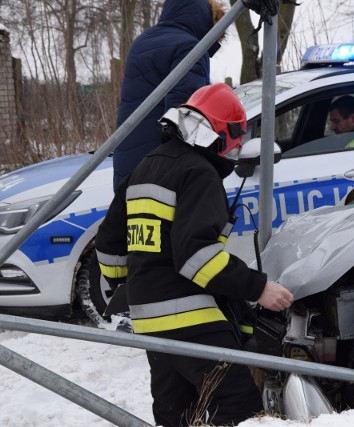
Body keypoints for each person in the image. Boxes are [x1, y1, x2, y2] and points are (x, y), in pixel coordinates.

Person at [96, 84, 294, 427]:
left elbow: (108, 244)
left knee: (177, 413)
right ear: (221, 132)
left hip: (148, 319)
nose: (234, 146)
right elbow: (196, 256)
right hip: (189, 317)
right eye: (235, 135)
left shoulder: (145, 167)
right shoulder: (198, 173)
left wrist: (130, 286)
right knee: (238, 402)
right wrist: (259, 287)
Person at [113, 0, 226, 191]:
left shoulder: (142, 41)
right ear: (207, 24)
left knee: (130, 218)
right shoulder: (191, 48)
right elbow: (182, 118)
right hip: (160, 167)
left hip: (127, 161)